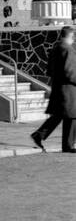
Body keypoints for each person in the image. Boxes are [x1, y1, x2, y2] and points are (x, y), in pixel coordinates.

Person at [31, 24, 76, 152]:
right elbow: (70, 72)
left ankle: (39, 135)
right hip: (69, 90)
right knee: (72, 117)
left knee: (59, 116)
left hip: (58, 88)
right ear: (71, 36)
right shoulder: (68, 50)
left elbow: (49, 70)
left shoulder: (55, 48)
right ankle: (68, 145)